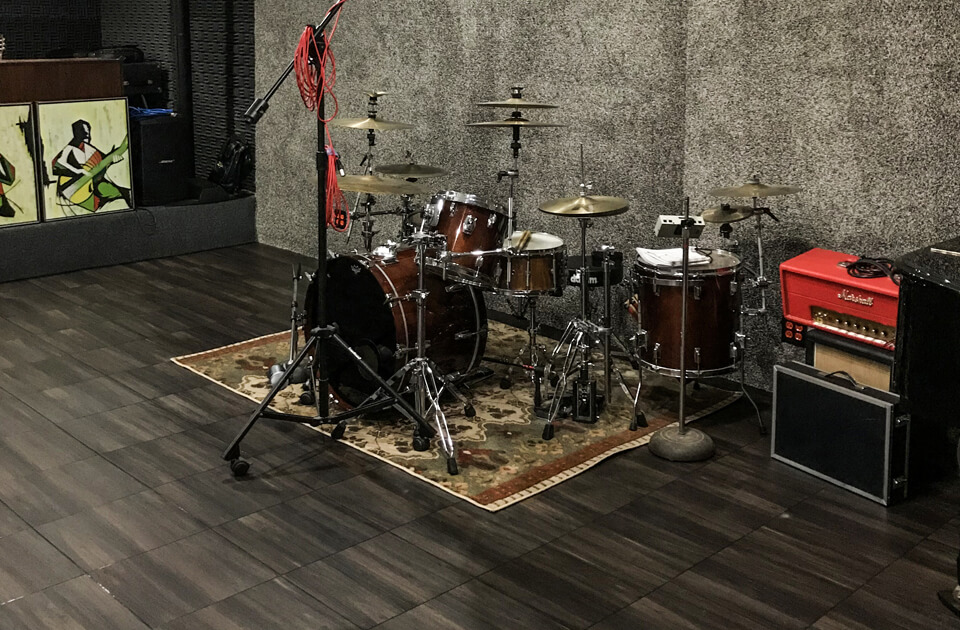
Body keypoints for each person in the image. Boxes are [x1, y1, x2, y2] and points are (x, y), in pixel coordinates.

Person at [52, 119, 130, 212]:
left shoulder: (90, 149)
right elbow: (59, 162)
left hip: (93, 184)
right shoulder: (70, 148)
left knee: (117, 192)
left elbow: (103, 162)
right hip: (75, 188)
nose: (87, 135)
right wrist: (78, 171)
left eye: (88, 132)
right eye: (83, 132)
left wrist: (113, 160)